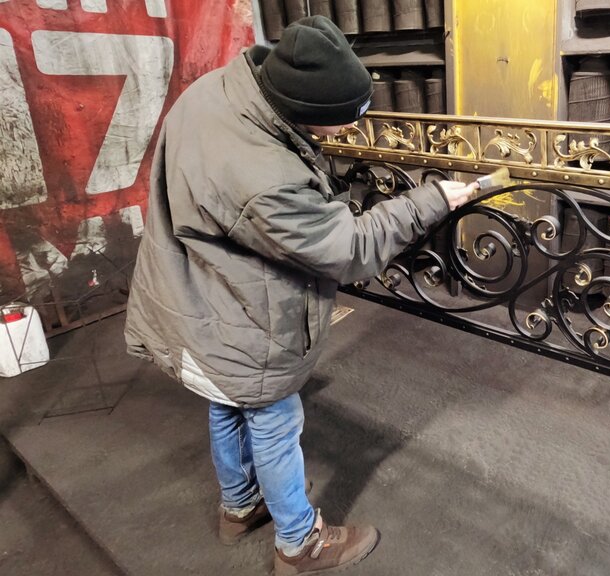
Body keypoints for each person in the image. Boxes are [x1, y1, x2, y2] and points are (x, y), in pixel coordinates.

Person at [124, 15, 475, 576]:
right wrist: (428, 202)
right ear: (305, 110)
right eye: (345, 119)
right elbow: (350, 248)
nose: (352, 129)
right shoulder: (264, 175)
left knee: (228, 400)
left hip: (197, 295)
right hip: (237, 313)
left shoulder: (216, 91)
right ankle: (299, 543)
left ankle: (240, 505)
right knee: (273, 416)